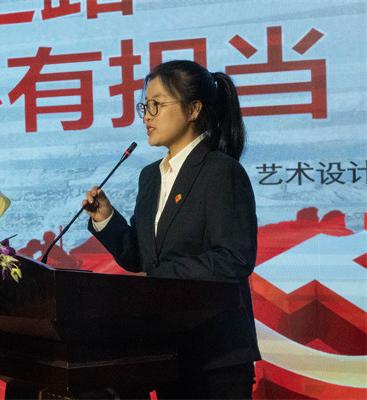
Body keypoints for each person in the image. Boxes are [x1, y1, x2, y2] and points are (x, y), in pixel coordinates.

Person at [82, 60, 261, 399]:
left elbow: (234, 259)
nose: (146, 117)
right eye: (144, 106)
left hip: (216, 356)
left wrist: (158, 279)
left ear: (193, 109)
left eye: (156, 105)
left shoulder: (221, 171)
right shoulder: (150, 176)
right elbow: (141, 258)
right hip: (166, 351)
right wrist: (106, 218)